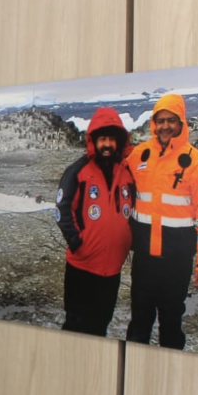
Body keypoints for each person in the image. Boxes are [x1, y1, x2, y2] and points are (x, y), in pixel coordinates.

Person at [125, 93, 198, 349]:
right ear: (153, 124)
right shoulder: (140, 155)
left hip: (176, 264)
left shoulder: (197, 164)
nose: (165, 126)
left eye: (171, 120)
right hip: (144, 261)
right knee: (139, 323)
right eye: (160, 120)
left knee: (171, 324)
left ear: (181, 123)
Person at [54, 107, 134, 336]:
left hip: (112, 270)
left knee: (100, 325)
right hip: (82, 267)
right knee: (75, 325)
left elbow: (135, 209)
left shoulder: (127, 172)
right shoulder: (77, 171)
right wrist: (77, 241)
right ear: (93, 140)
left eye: (111, 139)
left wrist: (130, 242)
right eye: (102, 139)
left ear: (118, 141)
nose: (107, 144)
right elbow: (62, 209)